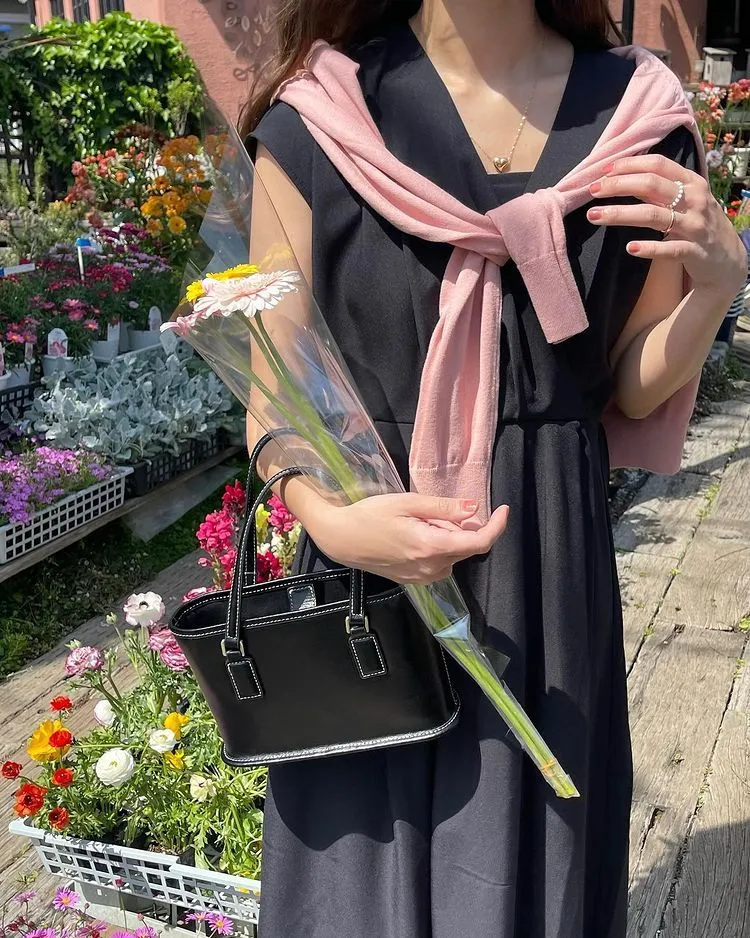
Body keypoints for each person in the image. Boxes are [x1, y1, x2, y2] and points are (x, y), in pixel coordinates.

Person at [241, 1, 747, 936]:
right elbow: (278, 385)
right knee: (357, 892)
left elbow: (632, 385)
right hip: (368, 578)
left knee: (531, 877)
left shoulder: (639, 119)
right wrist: (331, 520)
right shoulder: (319, 117)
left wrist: (718, 285)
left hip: (545, 576)